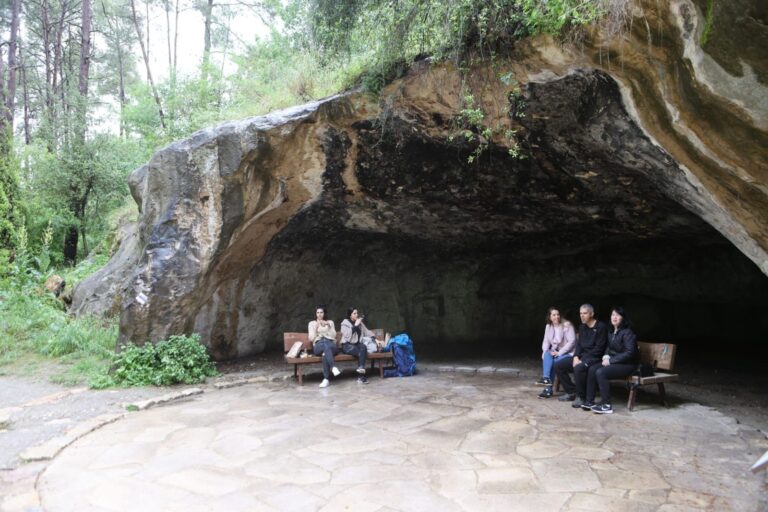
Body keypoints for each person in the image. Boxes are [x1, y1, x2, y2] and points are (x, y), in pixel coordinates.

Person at [554, 303, 608, 409]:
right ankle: (571, 392)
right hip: (582, 357)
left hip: (595, 359)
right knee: (558, 365)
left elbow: (599, 349)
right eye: (580, 313)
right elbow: (579, 344)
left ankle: (581, 397)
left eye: (585, 313)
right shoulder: (582, 327)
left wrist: (582, 359)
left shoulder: (601, 327)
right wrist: (575, 357)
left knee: (579, 368)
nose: (582, 316)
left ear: (591, 314)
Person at [590, 307, 639, 414]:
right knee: (593, 368)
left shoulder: (627, 332)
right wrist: (606, 356)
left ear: (623, 318)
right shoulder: (612, 331)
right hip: (618, 362)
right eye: (613, 315)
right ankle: (593, 400)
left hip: (629, 365)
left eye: (617, 315)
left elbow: (630, 352)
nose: (614, 317)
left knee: (601, 372)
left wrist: (611, 361)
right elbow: (608, 347)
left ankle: (606, 405)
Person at [537, 307, 576, 399]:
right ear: (550, 317)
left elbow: (572, 341)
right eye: (554, 315)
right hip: (555, 351)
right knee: (547, 354)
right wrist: (544, 351)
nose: (556, 317)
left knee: (555, 362)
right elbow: (546, 341)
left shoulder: (567, 325)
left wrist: (560, 353)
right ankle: (546, 378)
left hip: (568, 352)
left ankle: (548, 390)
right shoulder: (548, 326)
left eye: (558, 314)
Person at [308, 305, 340, 388]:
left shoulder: (330, 322)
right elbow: (311, 338)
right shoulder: (312, 324)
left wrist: (328, 325)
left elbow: (334, 336)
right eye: (317, 312)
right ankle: (333, 367)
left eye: (321, 312)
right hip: (319, 345)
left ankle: (326, 379)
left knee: (325, 352)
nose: (319, 314)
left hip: (330, 344)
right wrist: (316, 328)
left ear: (324, 313)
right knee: (325, 346)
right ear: (315, 314)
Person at [339, 307, 372, 384]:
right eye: (354, 313)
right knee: (361, 353)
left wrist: (375, 338)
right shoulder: (344, 323)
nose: (357, 315)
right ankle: (361, 377)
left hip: (357, 345)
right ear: (350, 315)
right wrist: (355, 325)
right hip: (347, 345)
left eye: (357, 313)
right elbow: (347, 336)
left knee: (363, 347)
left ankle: (361, 369)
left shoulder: (359, 322)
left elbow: (367, 331)